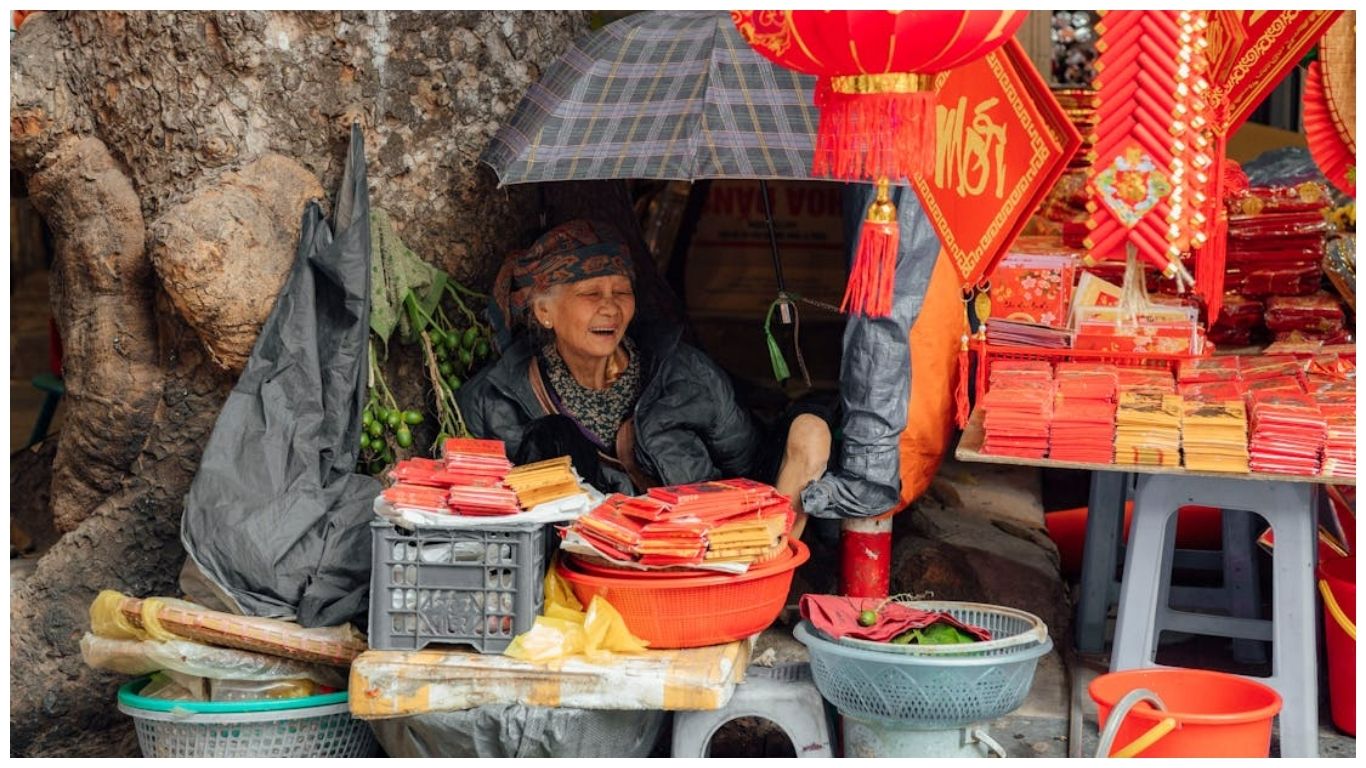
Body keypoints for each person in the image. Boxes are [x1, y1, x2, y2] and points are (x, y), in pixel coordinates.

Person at [458, 219, 831, 539]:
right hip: (581, 575)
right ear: (544, 311)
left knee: (812, 429)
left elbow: (751, 468)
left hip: (698, 556)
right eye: (591, 293)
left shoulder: (685, 374)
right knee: (552, 438)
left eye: (622, 291)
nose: (611, 306)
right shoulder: (494, 400)